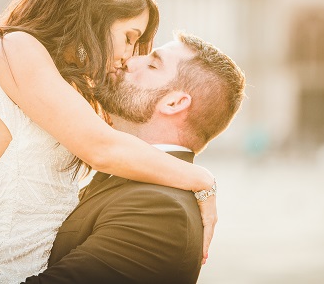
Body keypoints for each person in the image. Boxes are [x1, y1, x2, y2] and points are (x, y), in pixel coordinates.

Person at [0, 0, 217, 284]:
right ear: (94, 14)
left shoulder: (61, 83)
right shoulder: (15, 48)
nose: (128, 55)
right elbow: (101, 148)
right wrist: (202, 181)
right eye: (129, 37)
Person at [22, 32, 246, 284]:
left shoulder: (161, 212)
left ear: (174, 103)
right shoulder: (131, 182)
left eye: (152, 64)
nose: (128, 61)